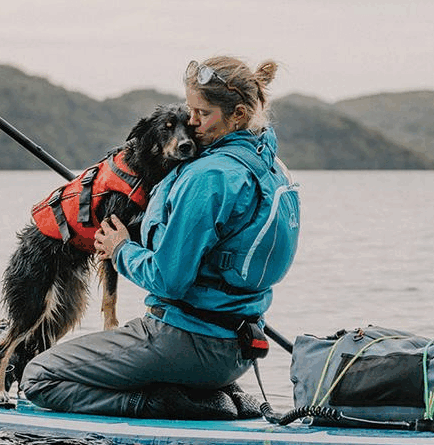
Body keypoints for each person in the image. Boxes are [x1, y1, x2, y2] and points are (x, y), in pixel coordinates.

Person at [20, 56, 300, 419]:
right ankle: (204, 395)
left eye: (202, 114)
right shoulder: (272, 166)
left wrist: (120, 249)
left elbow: (170, 280)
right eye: (190, 111)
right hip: (239, 349)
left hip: (184, 343)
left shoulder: (210, 177)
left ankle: (160, 403)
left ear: (239, 115)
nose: (192, 124)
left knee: (39, 376)